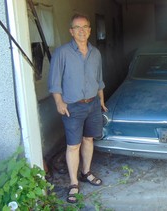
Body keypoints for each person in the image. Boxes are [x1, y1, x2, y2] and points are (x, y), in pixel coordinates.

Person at [48, 13, 107, 204]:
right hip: (72, 106)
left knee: (88, 139)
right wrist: (59, 102)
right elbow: (54, 81)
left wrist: (101, 101)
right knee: (73, 145)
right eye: (77, 28)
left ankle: (86, 172)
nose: (82, 31)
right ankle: (73, 183)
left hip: (93, 104)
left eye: (85, 27)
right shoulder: (62, 53)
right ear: (71, 31)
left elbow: (99, 81)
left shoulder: (95, 53)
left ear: (90, 30)